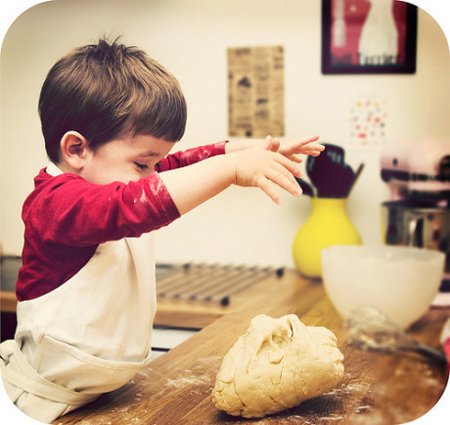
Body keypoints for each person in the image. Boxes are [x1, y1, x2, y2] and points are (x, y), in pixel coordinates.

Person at [0, 38, 324, 423]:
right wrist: (231, 170)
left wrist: (251, 151)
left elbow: (180, 162)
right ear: (76, 149)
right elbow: (136, 205)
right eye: (142, 164)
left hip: (102, 396)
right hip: (42, 402)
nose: (155, 172)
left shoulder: (116, 175)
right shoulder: (56, 204)